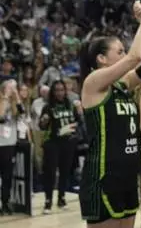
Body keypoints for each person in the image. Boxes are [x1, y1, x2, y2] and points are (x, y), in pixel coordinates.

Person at [79, 0, 141, 228]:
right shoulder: (93, 83)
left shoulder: (123, 85)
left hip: (127, 177)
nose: (125, 54)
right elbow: (136, 57)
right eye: (119, 51)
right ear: (101, 59)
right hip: (103, 178)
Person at [39, 80, 82, 214]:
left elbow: (78, 121)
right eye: (56, 90)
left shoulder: (70, 105)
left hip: (68, 143)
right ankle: (48, 200)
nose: (59, 92)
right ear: (53, 92)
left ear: (65, 91)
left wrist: (79, 114)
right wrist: (44, 121)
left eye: (62, 90)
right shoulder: (48, 107)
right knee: (50, 173)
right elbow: (42, 126)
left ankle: (61, 198)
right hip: (52, 143)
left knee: (65, 171)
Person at [0, 80, 23, 215]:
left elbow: (22, 113)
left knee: (7, 176)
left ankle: (5, 202)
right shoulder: (2, 101)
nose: (12, 89)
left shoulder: (14, 103)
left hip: (9, 143)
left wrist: (17, 97)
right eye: (9, 87)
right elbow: (1, 116)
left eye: (14, 87)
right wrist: (5, 98)